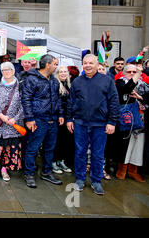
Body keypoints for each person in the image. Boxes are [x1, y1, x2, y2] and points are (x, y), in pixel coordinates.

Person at [66, 54, 120, 195]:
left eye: (91, 63)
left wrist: (112, 122)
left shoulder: (107, 81)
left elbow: (114, 102)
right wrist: (69, 119)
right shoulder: (77, 82)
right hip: (80, 123)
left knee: (98, 154)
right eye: (85, 63)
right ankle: (80, 179)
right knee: (80, 152)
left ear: (97, 64)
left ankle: (96, 181)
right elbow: (71, 102)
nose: (88, 65)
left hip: (100, 124)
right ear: (82, 65)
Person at [21, 54, 64, 189]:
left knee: (49, 148)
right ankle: (29, 173)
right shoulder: (31, 79)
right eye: (55, 64)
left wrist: (61, 114)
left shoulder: (54, 81)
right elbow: (25, 99)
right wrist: (30, 119)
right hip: (38, 120)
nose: (56, 67)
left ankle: (46, 172)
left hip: (52, 119)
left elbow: (58, 99)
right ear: (47, 64)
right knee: (33, 148)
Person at [113, 64, 146, 182]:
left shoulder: (143, 84)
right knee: (125, 145)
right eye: (130, 71)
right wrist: (137, 74)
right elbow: (125, 90)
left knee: (139, 146)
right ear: (124, 73)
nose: (132, 73)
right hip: (127, 118)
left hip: (141, 118)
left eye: (134, 71)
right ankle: (122, 170)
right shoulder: (120, 82)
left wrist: (141, 97)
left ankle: (133, 171)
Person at [52, 66, 74, 174]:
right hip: (58, 117)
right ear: (57, 73)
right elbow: (57, 102)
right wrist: (60, 114)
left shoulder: (68, 86)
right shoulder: (56, 85)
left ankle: (61, 161)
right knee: (56, 141)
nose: (63, 73)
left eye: (65, 72)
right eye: (61, 72)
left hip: (67, 117)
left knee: (64, 141)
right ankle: (53, 162)